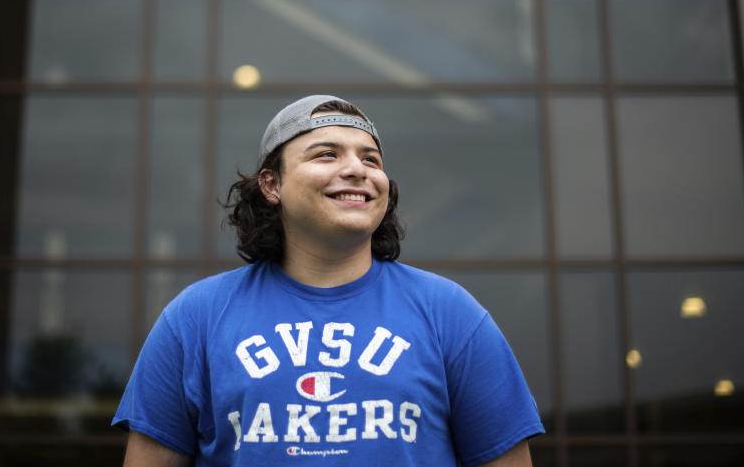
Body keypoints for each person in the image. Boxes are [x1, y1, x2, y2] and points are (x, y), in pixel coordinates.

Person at [113, 94, 544, 466]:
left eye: (370, 159)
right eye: (327, 154)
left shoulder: (450, 312)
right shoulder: (195, 317)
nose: (358, 169)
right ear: (271, 184)